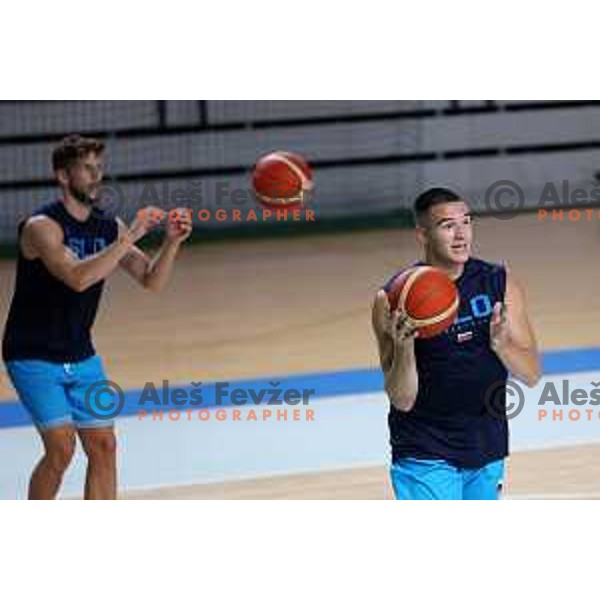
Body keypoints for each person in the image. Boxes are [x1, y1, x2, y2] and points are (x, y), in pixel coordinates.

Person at [1, 134, 192, 500]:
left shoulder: (109, 227)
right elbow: (77, 278)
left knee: (104, 446)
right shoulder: (42, 226)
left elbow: (151, 280)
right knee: (61, 449)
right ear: (62, 175)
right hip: (32, 355)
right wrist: (131, 234)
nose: (96, 176)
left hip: (81, 354)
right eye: (87, 169)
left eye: (99, 168)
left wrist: (171, 243)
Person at [371, 187, 541, 500]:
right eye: (448, 226)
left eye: (466, 222)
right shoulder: (395, 300)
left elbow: (531, 374)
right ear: (423, 235)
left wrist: (502, 345)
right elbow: (402, 399)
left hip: (486, 447)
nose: (461, 234)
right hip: (424, 450)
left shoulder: (499, 283)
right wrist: (405, 349)